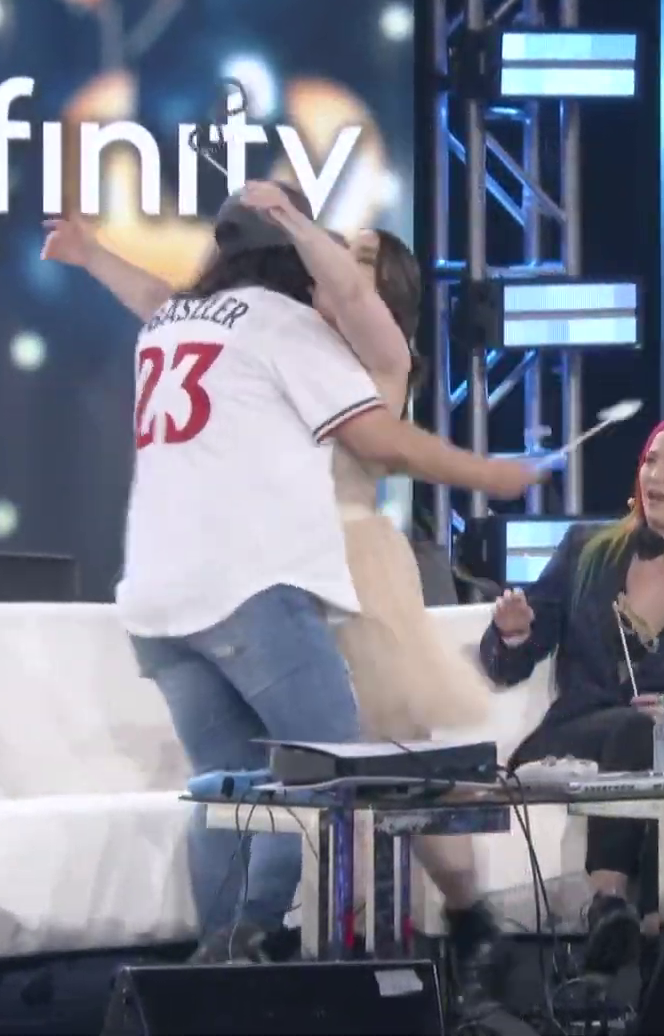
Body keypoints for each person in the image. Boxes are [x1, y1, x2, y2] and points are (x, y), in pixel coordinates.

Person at [42, 190, 541, 963]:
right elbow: (385, 441)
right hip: (264, 582)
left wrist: (91, 255)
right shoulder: (284, 328)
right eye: (327, 249)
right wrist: (493, 474)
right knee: (315, 775)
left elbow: (163, 301)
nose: (334, 263)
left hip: (234, 590)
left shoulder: (223, 326)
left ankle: (262, 954)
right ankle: (259, 947)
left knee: (259, 784)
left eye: (350, 255)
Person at [234, 182, 509, 999]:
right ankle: (294, 931)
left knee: (396, 754)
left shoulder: (381, 361)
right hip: (279, 564)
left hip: (353, 562)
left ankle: (468, 917)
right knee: (297, 755)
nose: (335, 263)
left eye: (357, 258)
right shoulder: (284, 345)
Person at [479, 415, 664, 977]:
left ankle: (651, 938)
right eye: (650, 461)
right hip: (573, 736)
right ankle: (607, 903)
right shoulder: (586, 550)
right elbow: (518, 653)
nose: (654, 476)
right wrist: (513, 633)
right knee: (640, 733)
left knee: (662, 749)